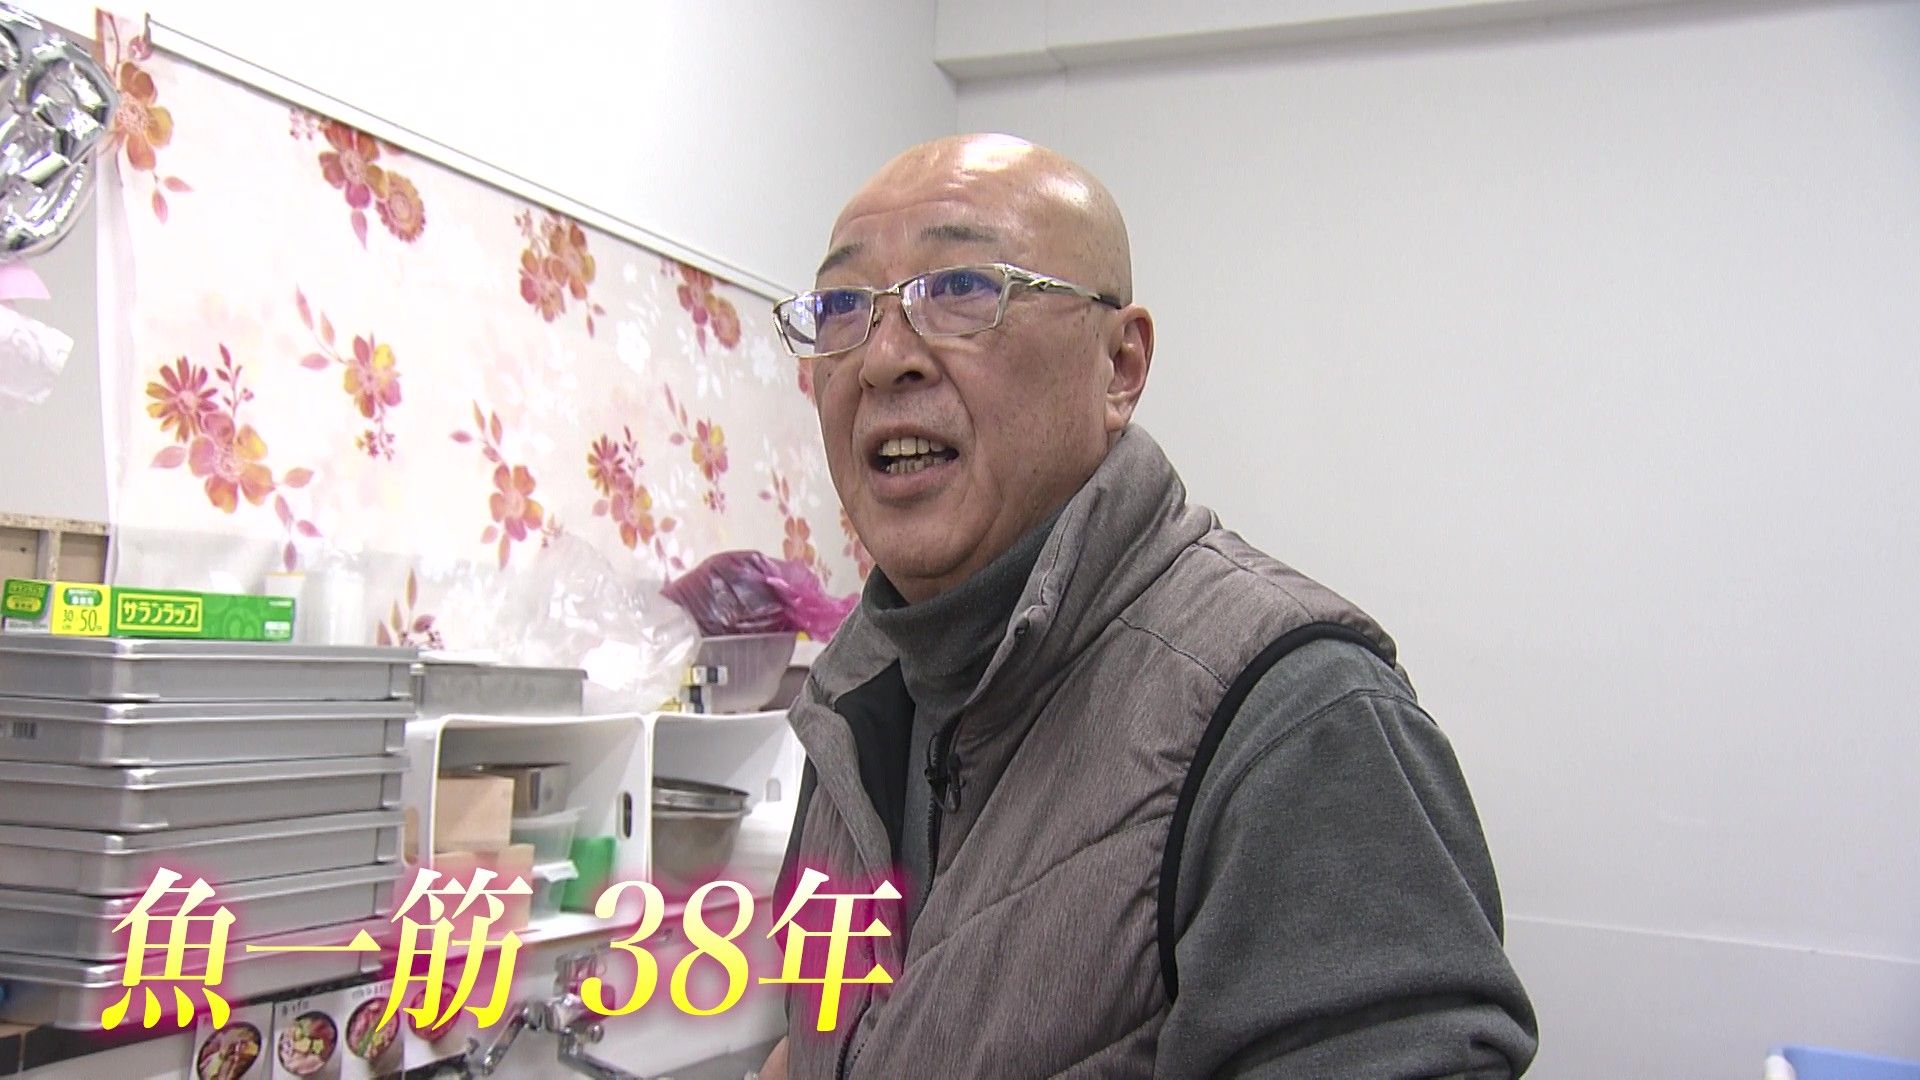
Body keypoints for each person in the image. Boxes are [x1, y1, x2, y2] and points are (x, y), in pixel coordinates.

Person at [755, 133, 1537, 1079]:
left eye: (961, 288)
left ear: (1120, 366)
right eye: (842, 308)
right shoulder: (846, 706)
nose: (882, 359)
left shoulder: (1299, 718)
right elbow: (822, 1043)